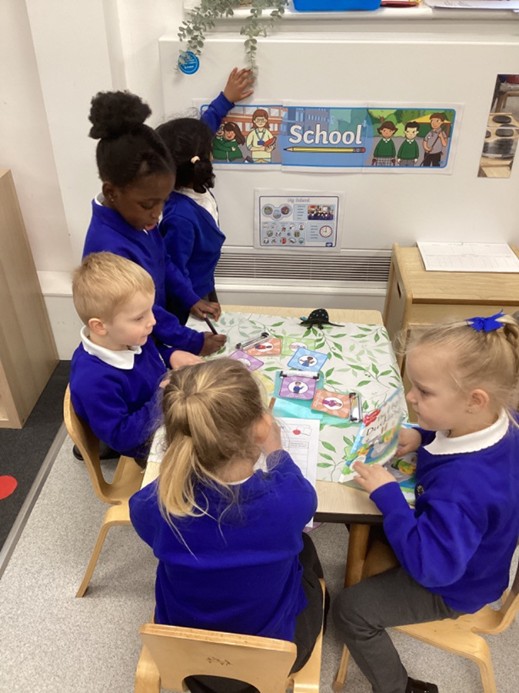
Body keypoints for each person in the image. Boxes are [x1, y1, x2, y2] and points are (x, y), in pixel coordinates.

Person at [332, 311, 519, 693]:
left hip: (453, 584)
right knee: (362, 517)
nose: (410, 398)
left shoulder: (464, 488)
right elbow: (454, 445)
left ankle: (398, 687)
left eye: (423, 392)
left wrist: (388, 497)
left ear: (474, 400)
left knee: (351, 610)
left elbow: (432, 569)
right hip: (464, 547)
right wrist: (422, 437)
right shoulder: (502, 419)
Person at [129, 358, 326, 693]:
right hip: (272, 655)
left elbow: (151, 520)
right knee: (307, 554)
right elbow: (299, 492)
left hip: (182, 653)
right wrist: (276, 450)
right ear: (261, 428)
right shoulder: (289, 501)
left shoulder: (152, 505)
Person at [84, 89, 226, 356]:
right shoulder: (110, 250)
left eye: (162, 201)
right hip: (133, 343)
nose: (156, 214)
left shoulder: (141, 222)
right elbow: (143, 312)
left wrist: (191, 298)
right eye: (148, 205)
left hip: (150, 330)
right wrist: (192, 341)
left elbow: (166, 261)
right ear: (112, 192)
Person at [70, 252, 202, 466]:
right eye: (139, 317)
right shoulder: (93, 381)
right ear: (100, 326)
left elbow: (151, 355)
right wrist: (162, 396)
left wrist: (171, 355)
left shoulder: (129, 337)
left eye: (150, 310)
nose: (152, 321)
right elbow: (122, 438)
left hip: (160, 408)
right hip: (145, 442)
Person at [156, 68, 254, 324]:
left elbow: (203, 129)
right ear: (203, 156)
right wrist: (193, 301)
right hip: (183, 304)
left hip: (203, 285)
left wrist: (225, 100)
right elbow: (172, 269)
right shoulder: (180, 216)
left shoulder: (191, 179)